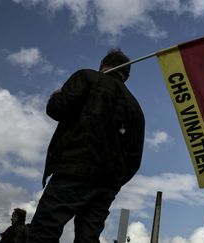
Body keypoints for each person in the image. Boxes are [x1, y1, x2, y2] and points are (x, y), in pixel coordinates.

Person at [28, 49, 145, 243]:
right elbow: (134, 160)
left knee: (44, 230)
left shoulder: (87, 78)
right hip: (106, 185)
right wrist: (114, 182)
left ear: (103, 65)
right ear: (127, 76)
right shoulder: (136, 109)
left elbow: (57, 109)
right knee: (88, 238)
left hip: (72, 170)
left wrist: (56, 96)